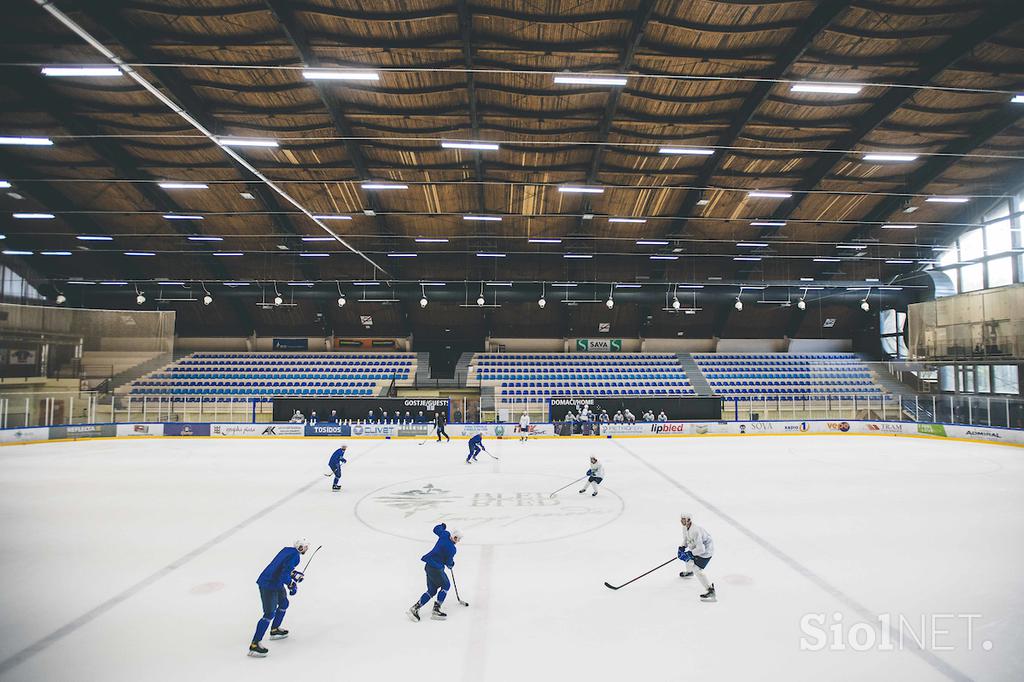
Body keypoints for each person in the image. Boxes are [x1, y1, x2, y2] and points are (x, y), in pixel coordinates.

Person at [248, 538, 309, 657]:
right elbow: (284, 574)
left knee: (284, 603)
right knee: (269, 614)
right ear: (300, 547)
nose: (306, 549)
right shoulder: (295, 556)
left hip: (275, 582)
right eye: (305, 547)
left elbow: (283, 568)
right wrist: (291, 585)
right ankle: (254, 645)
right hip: (268, 585)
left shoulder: (288, 550)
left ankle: (275, 630)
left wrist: (293, 574)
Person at [408, 524, 462, 622]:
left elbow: (436, 529)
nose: (458, 541)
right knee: (446, 585)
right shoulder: (452, 549)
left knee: (432, 590)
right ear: (454, 537)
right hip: (436, 568)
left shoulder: (444, 534)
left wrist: (442, 526)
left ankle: (415, 608)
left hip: (428, 566)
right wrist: (451, 564)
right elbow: (448, 562)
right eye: (458, 539)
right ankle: (436, 610)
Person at [678, 512, 716, 602]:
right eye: (681, 519)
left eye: (684, 520)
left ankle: (710, 590)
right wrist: (682, 547)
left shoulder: (695, 531)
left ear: (689, 520)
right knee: (688, 557)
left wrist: (690, 553)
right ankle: (689, 572)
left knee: (697, 569)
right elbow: (686, 539)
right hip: (697, 548)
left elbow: (701, 549)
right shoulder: (685, 528)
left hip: (706, 552)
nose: (682, 521)